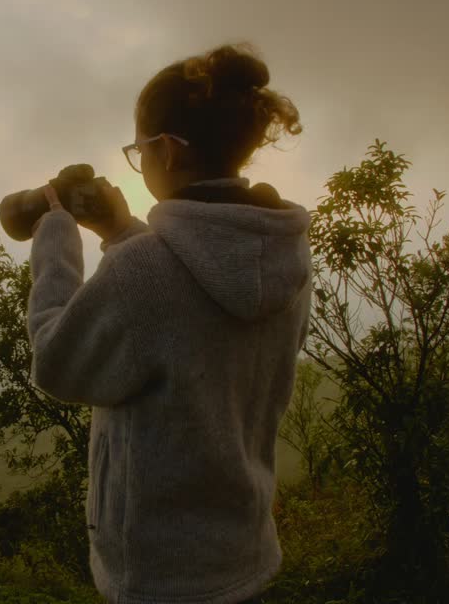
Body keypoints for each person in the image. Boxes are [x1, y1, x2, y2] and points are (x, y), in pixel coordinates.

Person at [26, 42, 311, 604]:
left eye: (140, 150)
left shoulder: (143, 273)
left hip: (159, 579)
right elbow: (193, 317)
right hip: (244, 559)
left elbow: (56, 363)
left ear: (168, 151)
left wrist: (55, 234)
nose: (141, 162)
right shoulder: (283, 257)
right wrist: (124, 231)